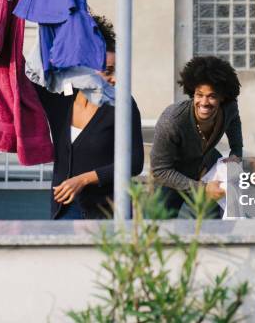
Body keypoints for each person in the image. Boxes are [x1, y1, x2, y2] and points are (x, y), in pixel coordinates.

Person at [33, 15, 144, 219]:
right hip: (64, 208)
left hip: (108, 210)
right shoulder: (60, 97)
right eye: (107, 71)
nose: (115, 79)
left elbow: (135, 162)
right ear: (84, 69)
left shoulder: (123, 104)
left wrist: (83, 180)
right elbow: (26, 73)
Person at [150, 56, 243, 218]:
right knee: (158, 230)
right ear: (192, 92)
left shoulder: (229, 109)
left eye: (212, 96)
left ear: (222, 98)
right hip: (170, 178)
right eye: (199, 95)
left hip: (206, 169)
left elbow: (234, 124)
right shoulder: (172, 121)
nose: (204, 102)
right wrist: (202, 188)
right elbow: (160, 170)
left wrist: (235, 155)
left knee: (211, 229)